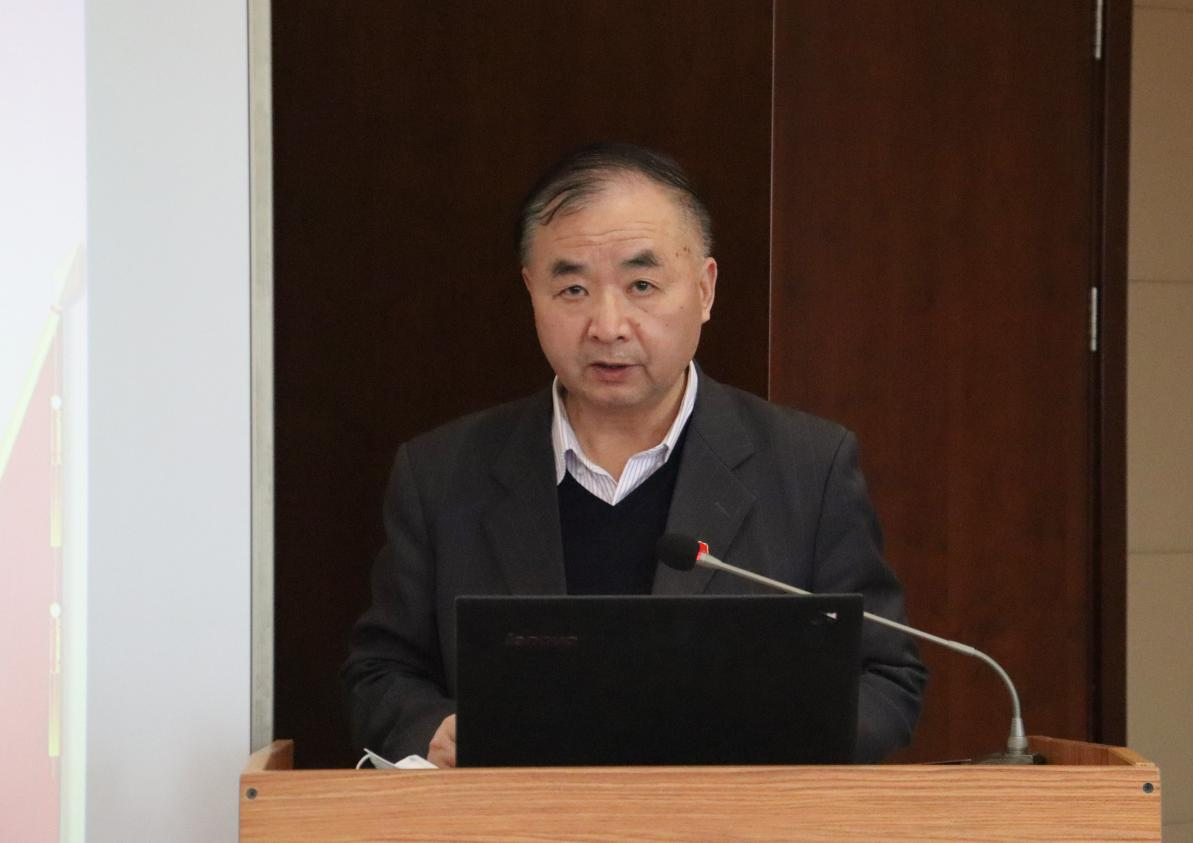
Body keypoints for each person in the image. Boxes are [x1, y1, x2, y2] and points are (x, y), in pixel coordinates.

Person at [341, 143, 926, 767]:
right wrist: (433, 730)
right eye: (572, 289)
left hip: (731, 814)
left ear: (704, 290)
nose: (608, 325)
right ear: (531, 291)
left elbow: (885, 675)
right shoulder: (441, 474)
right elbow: (381, 671)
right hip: (518, 814)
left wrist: (776, 745)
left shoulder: (808, 467)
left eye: (641, 285)